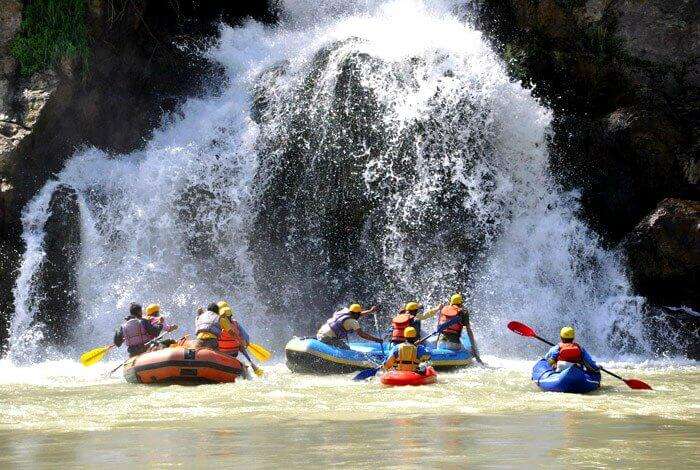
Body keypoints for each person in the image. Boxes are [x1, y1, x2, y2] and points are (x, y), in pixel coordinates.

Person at [435, 293, 484, 365]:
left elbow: (439, 328)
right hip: (454, 344)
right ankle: (479, 361)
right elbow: (469, 331)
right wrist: (474, 349)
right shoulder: (463, 312)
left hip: (440, 343)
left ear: (451, 302)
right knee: (468, 351)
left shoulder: (444, 309)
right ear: (460, 303)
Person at [316, 303, 383, 349]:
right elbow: (361, 334)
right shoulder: (353, 322)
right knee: (346, 349)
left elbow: (358, 314)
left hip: (320, 333)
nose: (359, 316)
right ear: (356, 314)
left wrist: (370, 311)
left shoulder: (344, 311)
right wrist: (376, 339)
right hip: (327, 338)